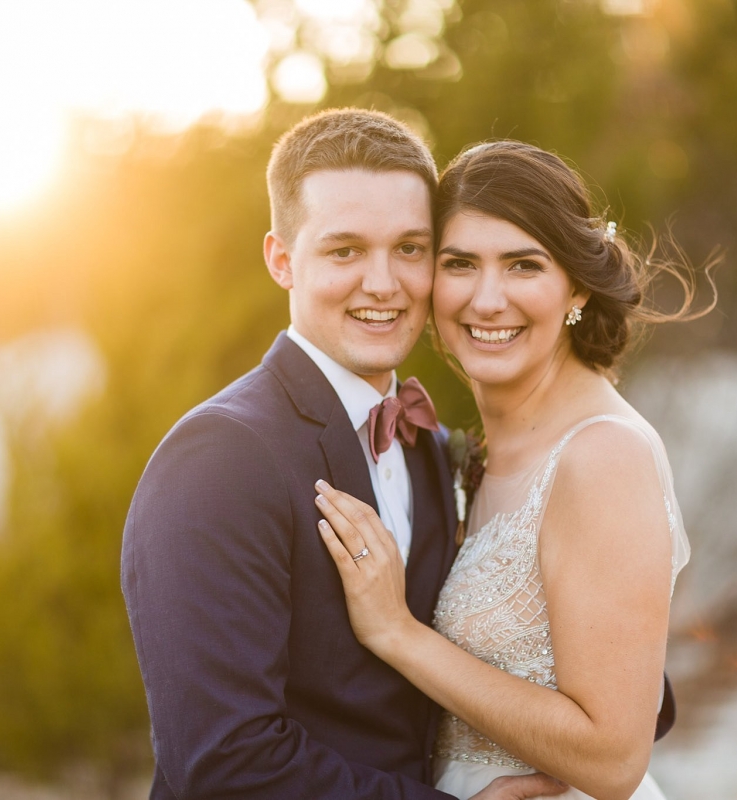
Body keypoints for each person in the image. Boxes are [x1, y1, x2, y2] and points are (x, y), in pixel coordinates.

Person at [121, 110, 567, 799]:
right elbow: (226, 764)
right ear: (280, 260)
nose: (384, 284)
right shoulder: (218, 460)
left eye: (410, 249)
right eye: (345, 251)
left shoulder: (431, 448)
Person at [315, 140, 707, 800]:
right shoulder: (474, 451)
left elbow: (614, 759)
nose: (487, 299)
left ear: (576, 284)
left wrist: (398, 635)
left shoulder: (601, 456)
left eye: (523, 265)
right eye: (460, 264)